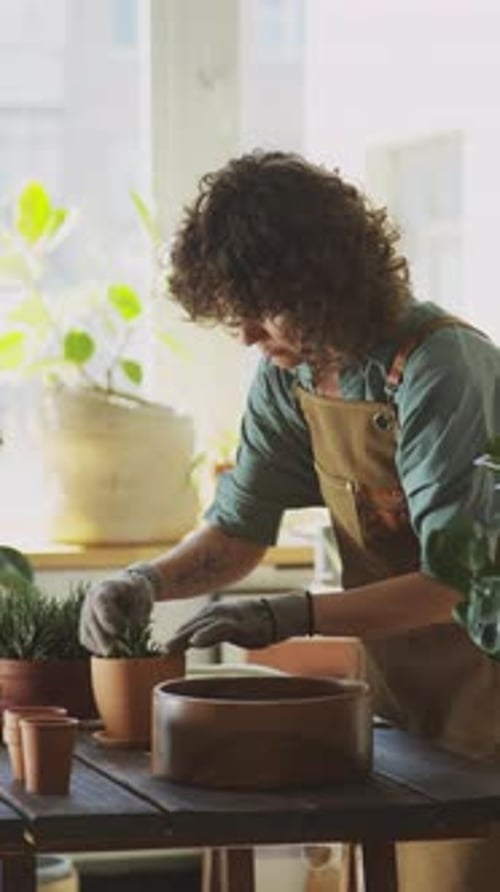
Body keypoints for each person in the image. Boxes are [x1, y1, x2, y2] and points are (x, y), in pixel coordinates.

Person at [79, 150, 500, 891]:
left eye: (257, 306)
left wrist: (288, 615)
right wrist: (148, 581)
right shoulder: (292, 376)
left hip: (487, 690)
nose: (243, 334)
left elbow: (450, 584)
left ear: (322, 283)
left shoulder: (440, 367)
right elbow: (240, 531)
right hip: (398, 698)